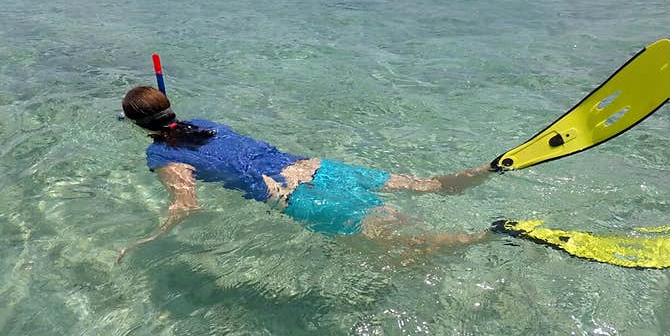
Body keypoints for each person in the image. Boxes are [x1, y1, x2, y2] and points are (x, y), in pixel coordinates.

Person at [115, 85, 494, 264]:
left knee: (403, 248)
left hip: (291, 194)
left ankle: (485, 237)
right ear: (169, 107)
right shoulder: (203, 124)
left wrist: (150, 238)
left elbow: (187, 205)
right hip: (317, 167)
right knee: (429, 187)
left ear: (134, 124)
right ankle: (487, 169)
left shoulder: (161, 153)